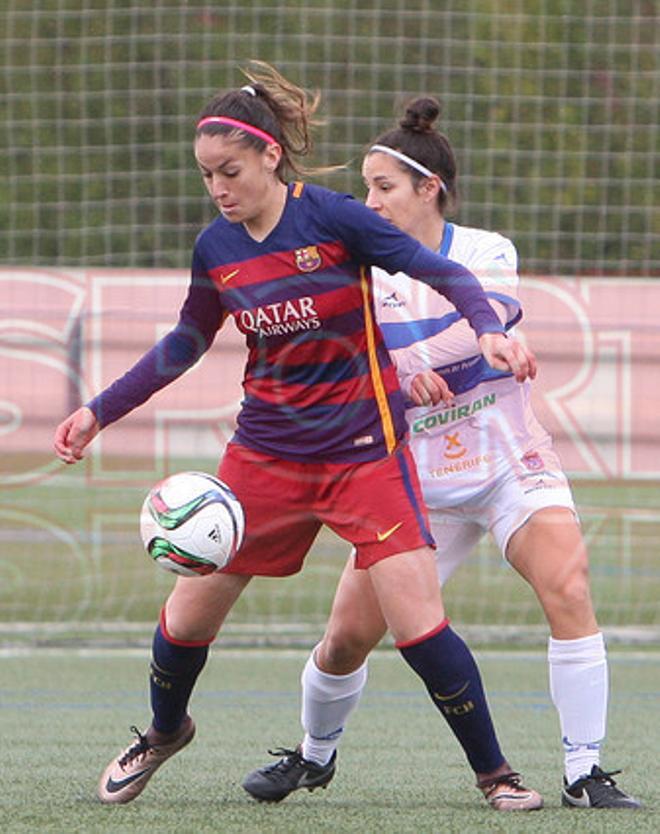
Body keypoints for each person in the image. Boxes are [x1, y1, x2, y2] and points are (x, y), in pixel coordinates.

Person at [54, 63, 541, 812]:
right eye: (208, 175)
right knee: (186, 619)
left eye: (231, 171)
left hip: (363, 454)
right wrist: (98, 411)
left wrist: (487, 330)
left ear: (270, 157)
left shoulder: (337, 219)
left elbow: (445, 273)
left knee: (418, 623)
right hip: (265, 458)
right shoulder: (217, 248)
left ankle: (496, 774)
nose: (219, 187)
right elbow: (184, 343)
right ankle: (163, 731)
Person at [241, 96, 642, 810]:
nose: (371, 201)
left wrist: (420, 361)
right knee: (343, 642)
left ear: (431, 189)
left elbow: (486, 328)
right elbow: (347, 357)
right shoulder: (359, 266)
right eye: (365, 187)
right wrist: (398, 375)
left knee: (570, 588)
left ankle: (585, 772)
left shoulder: (486, 250)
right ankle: (314, 755)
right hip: (408, 479)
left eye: (385, 187)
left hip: (507, 463)